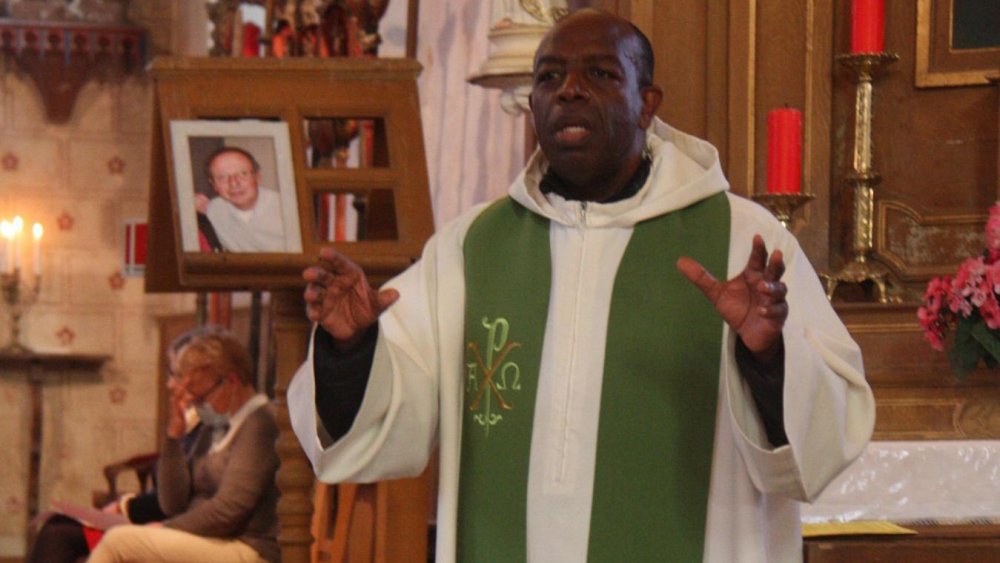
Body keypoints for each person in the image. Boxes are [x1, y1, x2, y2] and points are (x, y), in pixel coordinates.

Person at [288, 8, 875, 563]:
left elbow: (821, 446)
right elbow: (381, 421)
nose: (568, 90)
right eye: (549, 77)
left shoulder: (740, 240)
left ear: (647, 104)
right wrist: (350, 350)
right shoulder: (471, 248)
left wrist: (767, 358)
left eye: (599, 74)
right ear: (533, 103)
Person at [88, 330, 280, 563]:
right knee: (120, 540)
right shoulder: (214, 426)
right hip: (210, 541)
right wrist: (173, 438)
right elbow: (172, 503)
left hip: (249, 547)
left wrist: (167, 528)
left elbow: (229, 510)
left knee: (119, 542)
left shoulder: (261, 423)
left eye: (201, 397)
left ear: (232, 381)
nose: (195, 405)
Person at [26, 329, 206, 563]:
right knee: (56, 523)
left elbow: (181, 499)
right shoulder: (189, 421)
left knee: (59, 534)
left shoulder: (209, 428)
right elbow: (169, 489)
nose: (170, 384)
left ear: (202, 376)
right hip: (159, 518)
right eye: (170, 374)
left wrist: (126, 506)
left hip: (176, 526)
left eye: (177, 375)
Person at [197, 146, 286, 252]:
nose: (234, 183)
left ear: (257, 177)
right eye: (222, 177)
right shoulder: (211, 210)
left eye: (243, 174)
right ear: (214, 185)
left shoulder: (287, 208)